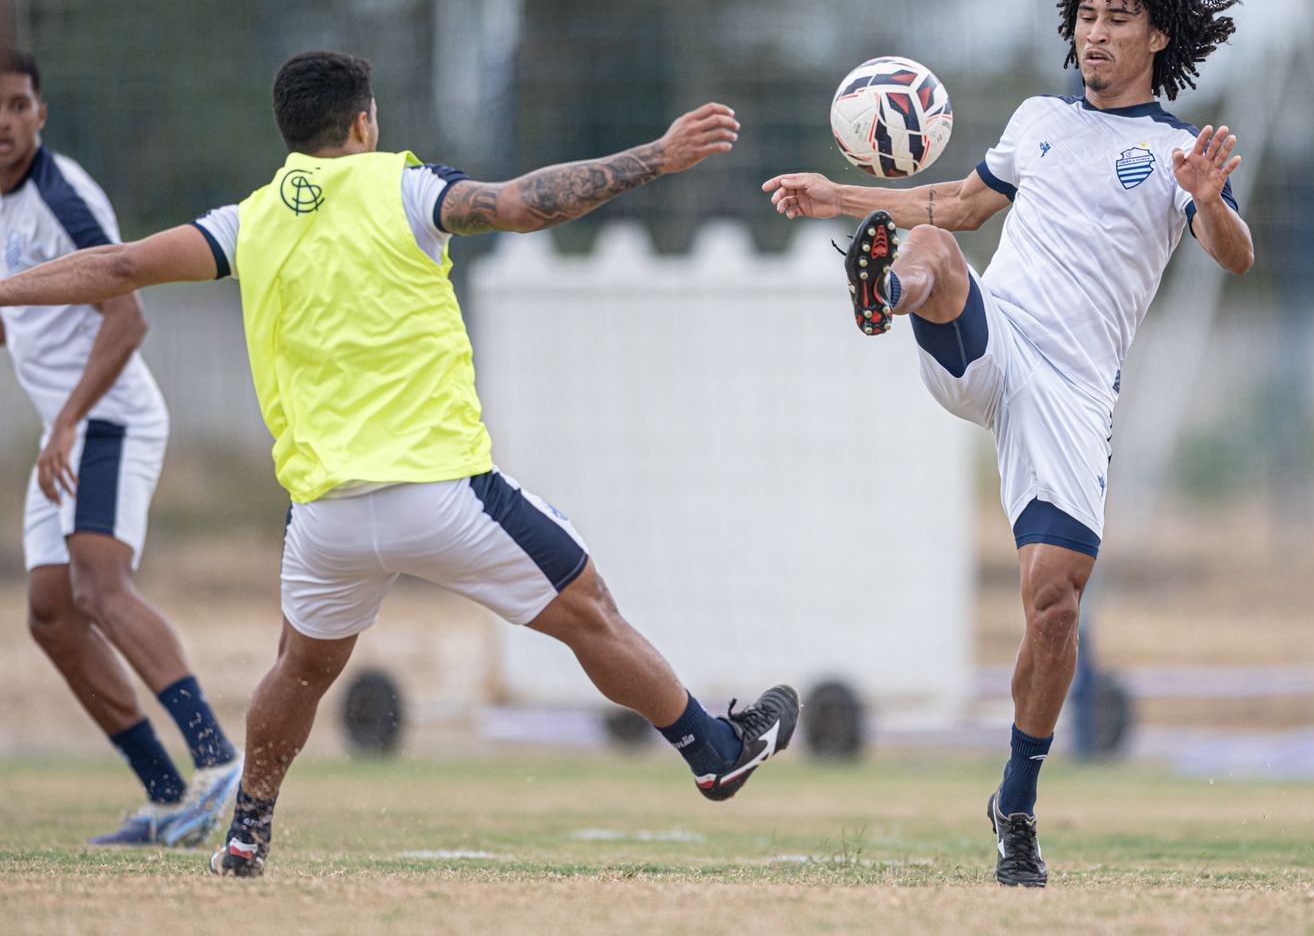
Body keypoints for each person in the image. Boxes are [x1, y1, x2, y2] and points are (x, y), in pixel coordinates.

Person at [0, 51, 800, 878]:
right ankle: (713, 751)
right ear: (364, 122)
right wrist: (658, 156)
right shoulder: (407, 187)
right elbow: (521, 204)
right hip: (443, 498)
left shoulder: (247, 221)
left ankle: (246, 834)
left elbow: (121, 266)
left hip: (326, 521)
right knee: (589, 612)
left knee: (299, 670)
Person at [762, 0, 1252, 887]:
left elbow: (1233, 254)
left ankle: (1015, 806)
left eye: (1117, 19)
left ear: (1157, 35)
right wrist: (835, 198)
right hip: (990, 335)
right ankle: (885, 295)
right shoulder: (1039, 120)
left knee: (1054, 606)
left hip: (1071, 391)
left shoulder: (1176, 153)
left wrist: (1211, 201)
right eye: (1086, 17)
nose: (1096, 34)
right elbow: (957, 203)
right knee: (933, 246)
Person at [0, 49, 241, 846]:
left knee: (99, 588)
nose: (5, 121)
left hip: (109, 418)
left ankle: (217, 758)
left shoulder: (61, 196)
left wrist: (69, 420)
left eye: (18, 105)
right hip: (67, 428)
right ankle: (169, 796)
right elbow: (23, 323)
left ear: (41, 115)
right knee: (50, 615)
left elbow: (127, 315)